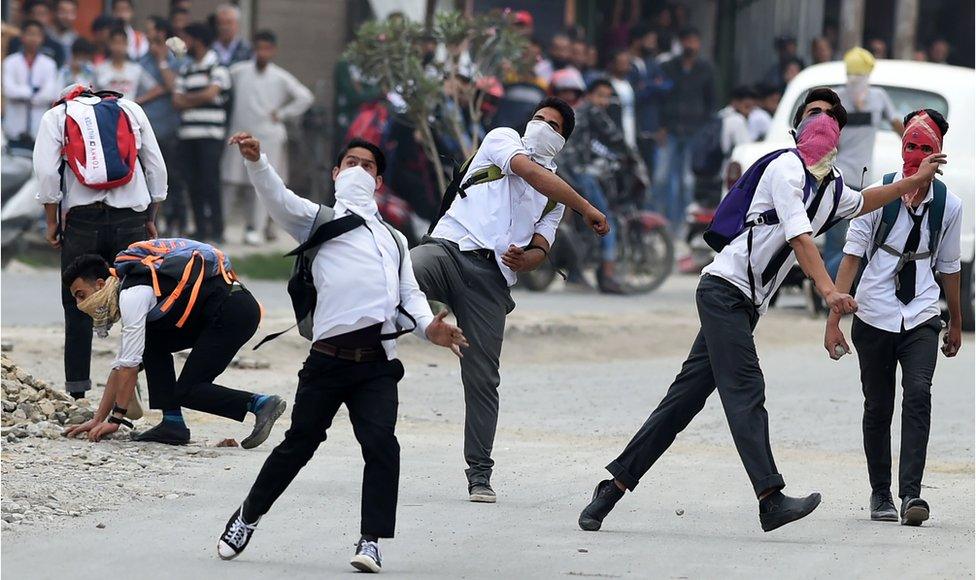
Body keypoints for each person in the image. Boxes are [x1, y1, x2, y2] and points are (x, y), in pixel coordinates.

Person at [577, 87, 946, 534]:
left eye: (831, 117)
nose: (822, 121)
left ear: (839, 139)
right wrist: (829, 293)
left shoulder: (830, 189)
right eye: (814, 114)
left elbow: (867, 199)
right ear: (797, 126)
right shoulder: (784, 166)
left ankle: (610, 488)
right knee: (745, 387)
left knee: (682, 402)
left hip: (745, 305)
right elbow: (799, 237)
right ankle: (770, 497)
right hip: (722, 291)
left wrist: (914, 180)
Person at [216, 134, 467, 573]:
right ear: (335, 174)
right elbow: (279, 200)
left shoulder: (393, 239)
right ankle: (248, 516)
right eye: (350, 163)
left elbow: (410, 293)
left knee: (381, 447)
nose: (358, 171)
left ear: (378, 180)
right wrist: (257, 162)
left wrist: (431, 329)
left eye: (367, 166)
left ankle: (370, 541)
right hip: (327, 361)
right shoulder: (319, 221)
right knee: (299, 445)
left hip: (376, 365)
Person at [412, 97, 610, 503]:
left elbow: (541, 249)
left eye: (551, 124)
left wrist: (527, 258)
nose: (540, 125)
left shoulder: (556, 201)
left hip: (490, 281)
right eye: (537, 118)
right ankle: (326, 319)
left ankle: (479, 474)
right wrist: (587, 207)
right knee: (403, 271)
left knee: (483, 378)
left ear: (562, 140)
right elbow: (530, 174)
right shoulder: (503, 140)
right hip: (449, 249)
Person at [825, 109, 960, 527]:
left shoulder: (949, 206)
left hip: (920, 312)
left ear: (938, 154)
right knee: (878, 403)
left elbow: (950, 267)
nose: (917, 155)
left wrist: (955, 322)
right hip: (875, 312)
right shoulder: (876, 197)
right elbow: (852, 255)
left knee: (918, 394)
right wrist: (834, 319)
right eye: (911, 147)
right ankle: (880, 493)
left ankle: (911, 496)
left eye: (926, 148)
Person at [60, 251, 287, 446]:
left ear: (100, 285)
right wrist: (99, 418)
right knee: (151, 344)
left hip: (233, 312)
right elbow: (122, 365)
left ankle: (261, 403)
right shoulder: (132, 283)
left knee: (189, 390)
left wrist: (115, 420)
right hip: (223, 309)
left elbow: (128, 367)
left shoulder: (132, 294)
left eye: (81, 295)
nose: (80, 305)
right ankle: (173, 424)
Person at [34, 84, 168, 399]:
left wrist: (51, 221)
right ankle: (135, 390)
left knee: (78, 301)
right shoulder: (131, 109)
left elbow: (46, 174)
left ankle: (77, 391)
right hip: (131, 221)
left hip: (82, 223)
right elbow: (156, 169)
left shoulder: (57, 115)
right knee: (140, 302)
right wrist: (150, 216)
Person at [819, 47, 904, 295]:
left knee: (835, 241)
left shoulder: (837, 100)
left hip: (835, 179)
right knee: (852, 243)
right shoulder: (878, 97)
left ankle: (822, 287)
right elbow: (899, 126)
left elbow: (830, 142)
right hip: (860, 180)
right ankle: (823, 288)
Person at [221, 29, 313, 245]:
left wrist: (282, 114)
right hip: (239, 133)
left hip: (268, 136)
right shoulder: (239, 71)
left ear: (273, 51)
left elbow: (305, 97)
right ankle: (222, 225)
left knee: (261, 182)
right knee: (230, 181)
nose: (262, 53)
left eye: (266, 49)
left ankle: (256, 228)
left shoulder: (280, 76)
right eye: (258, 48)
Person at [559, 79, 627, 294]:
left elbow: (594, 145)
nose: (604, 101)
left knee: (580, 223)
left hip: (563, 170)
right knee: (606, 219)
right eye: (600, 96)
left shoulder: (577, 113)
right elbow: (615, 137)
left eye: (607, 97)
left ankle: (578, 272)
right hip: (578, 173)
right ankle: (607, 276)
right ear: (589, 95)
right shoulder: (592, 112)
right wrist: (631, 156)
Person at [173, 22, 231, 243]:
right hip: (188, 136)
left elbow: (211, 94)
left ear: (198, 40)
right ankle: (199, 229)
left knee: (210, 182)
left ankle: (217, 229)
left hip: (210, 135)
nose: (184, 44)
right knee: (192, 183)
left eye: (187, 39)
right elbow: (176, 101)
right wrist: (197, 98)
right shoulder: (186, 68)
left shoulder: (218, 66)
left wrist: (190, 99)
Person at [658, 28, 715, 229]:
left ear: (698, 44)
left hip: (694, 131)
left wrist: (706, 132)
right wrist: (660, 126)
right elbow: (660, 99)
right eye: (686, 40)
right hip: (670, 129)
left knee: (686, 182)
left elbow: (711, 103)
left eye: (693, 40)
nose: (690, 45)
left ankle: (682, 226)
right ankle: (660, 224)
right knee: (662, 179)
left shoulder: (706, 68)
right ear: (681, 43)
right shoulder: (668, 67)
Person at [139, 16, 187, 236]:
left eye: (150, 30)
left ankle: (177, 222)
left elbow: (171, 85)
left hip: (168, 130)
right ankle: (150, 221)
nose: (147, 34)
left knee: (172, 178)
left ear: (160, 33)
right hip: (146, 130)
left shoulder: (175, 59)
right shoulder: (140, 60)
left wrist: (162, 60)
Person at [2, 19, 60, 147]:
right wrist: (33, 91)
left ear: (42, 38)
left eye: (37, 34)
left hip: (38, 128)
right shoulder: (10, 62)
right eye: (30, 33)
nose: (33, 38)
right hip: (14, 127)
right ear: (22, 36)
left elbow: (50, 93)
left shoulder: (49, 64)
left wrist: (23, 94)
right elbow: (8, 90)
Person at [627, 25, 673, 181]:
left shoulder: (652, 63)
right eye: (650, 40)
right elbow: (634, 94)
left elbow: (667, 86)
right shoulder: (628, 63)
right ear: (637, 40)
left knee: (653, 171)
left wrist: (647, 85)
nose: (653, 44)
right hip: (635, 124)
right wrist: (653, 85)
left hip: (652, 124)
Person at [94, 27, 162, 103]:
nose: (118, 47)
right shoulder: (100, 69)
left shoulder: (136, 69)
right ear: (109, 44)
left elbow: (155, 89)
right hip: (106, 112)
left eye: (121, 43)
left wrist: (136, 102)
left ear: (127, 44)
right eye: (115, 43)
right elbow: (91, 92)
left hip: (128, 112)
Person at [8, 0, 66, 67]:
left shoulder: (56, 46)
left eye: (42, 14)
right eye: (35, 14)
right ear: (29, 16)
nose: (38, 18)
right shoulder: (15, 43)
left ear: (49, 16)